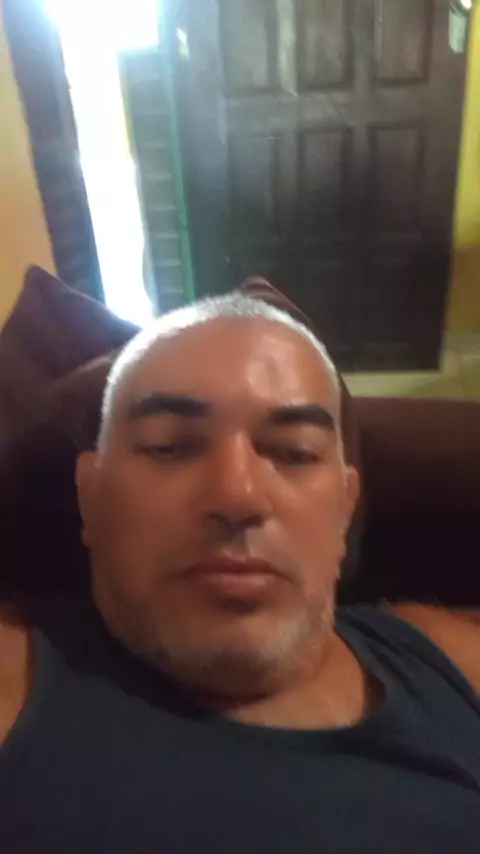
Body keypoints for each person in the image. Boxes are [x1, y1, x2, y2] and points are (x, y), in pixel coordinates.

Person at [1, 292, 479, 852]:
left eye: (295, 452)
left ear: (345, 509)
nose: (238, 495)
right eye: (168, 447)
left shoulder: (448, 658)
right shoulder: (17, 678)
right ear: (91, 498)